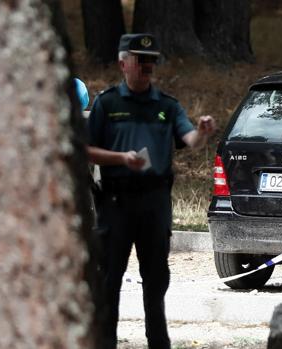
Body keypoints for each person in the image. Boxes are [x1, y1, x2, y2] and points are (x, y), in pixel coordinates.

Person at [86, 33, 215, 349]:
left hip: (154, 203)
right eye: (140, 60)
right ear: (123, 63)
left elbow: (190, 142)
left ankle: (158, 343)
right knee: (109, 280)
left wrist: (201, 132)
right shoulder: (107, 103)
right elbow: (86, 150)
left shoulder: (167, 106)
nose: (147, 67)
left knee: (156, 280)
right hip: (115, 203)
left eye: (151, 61)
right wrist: (121, 159)